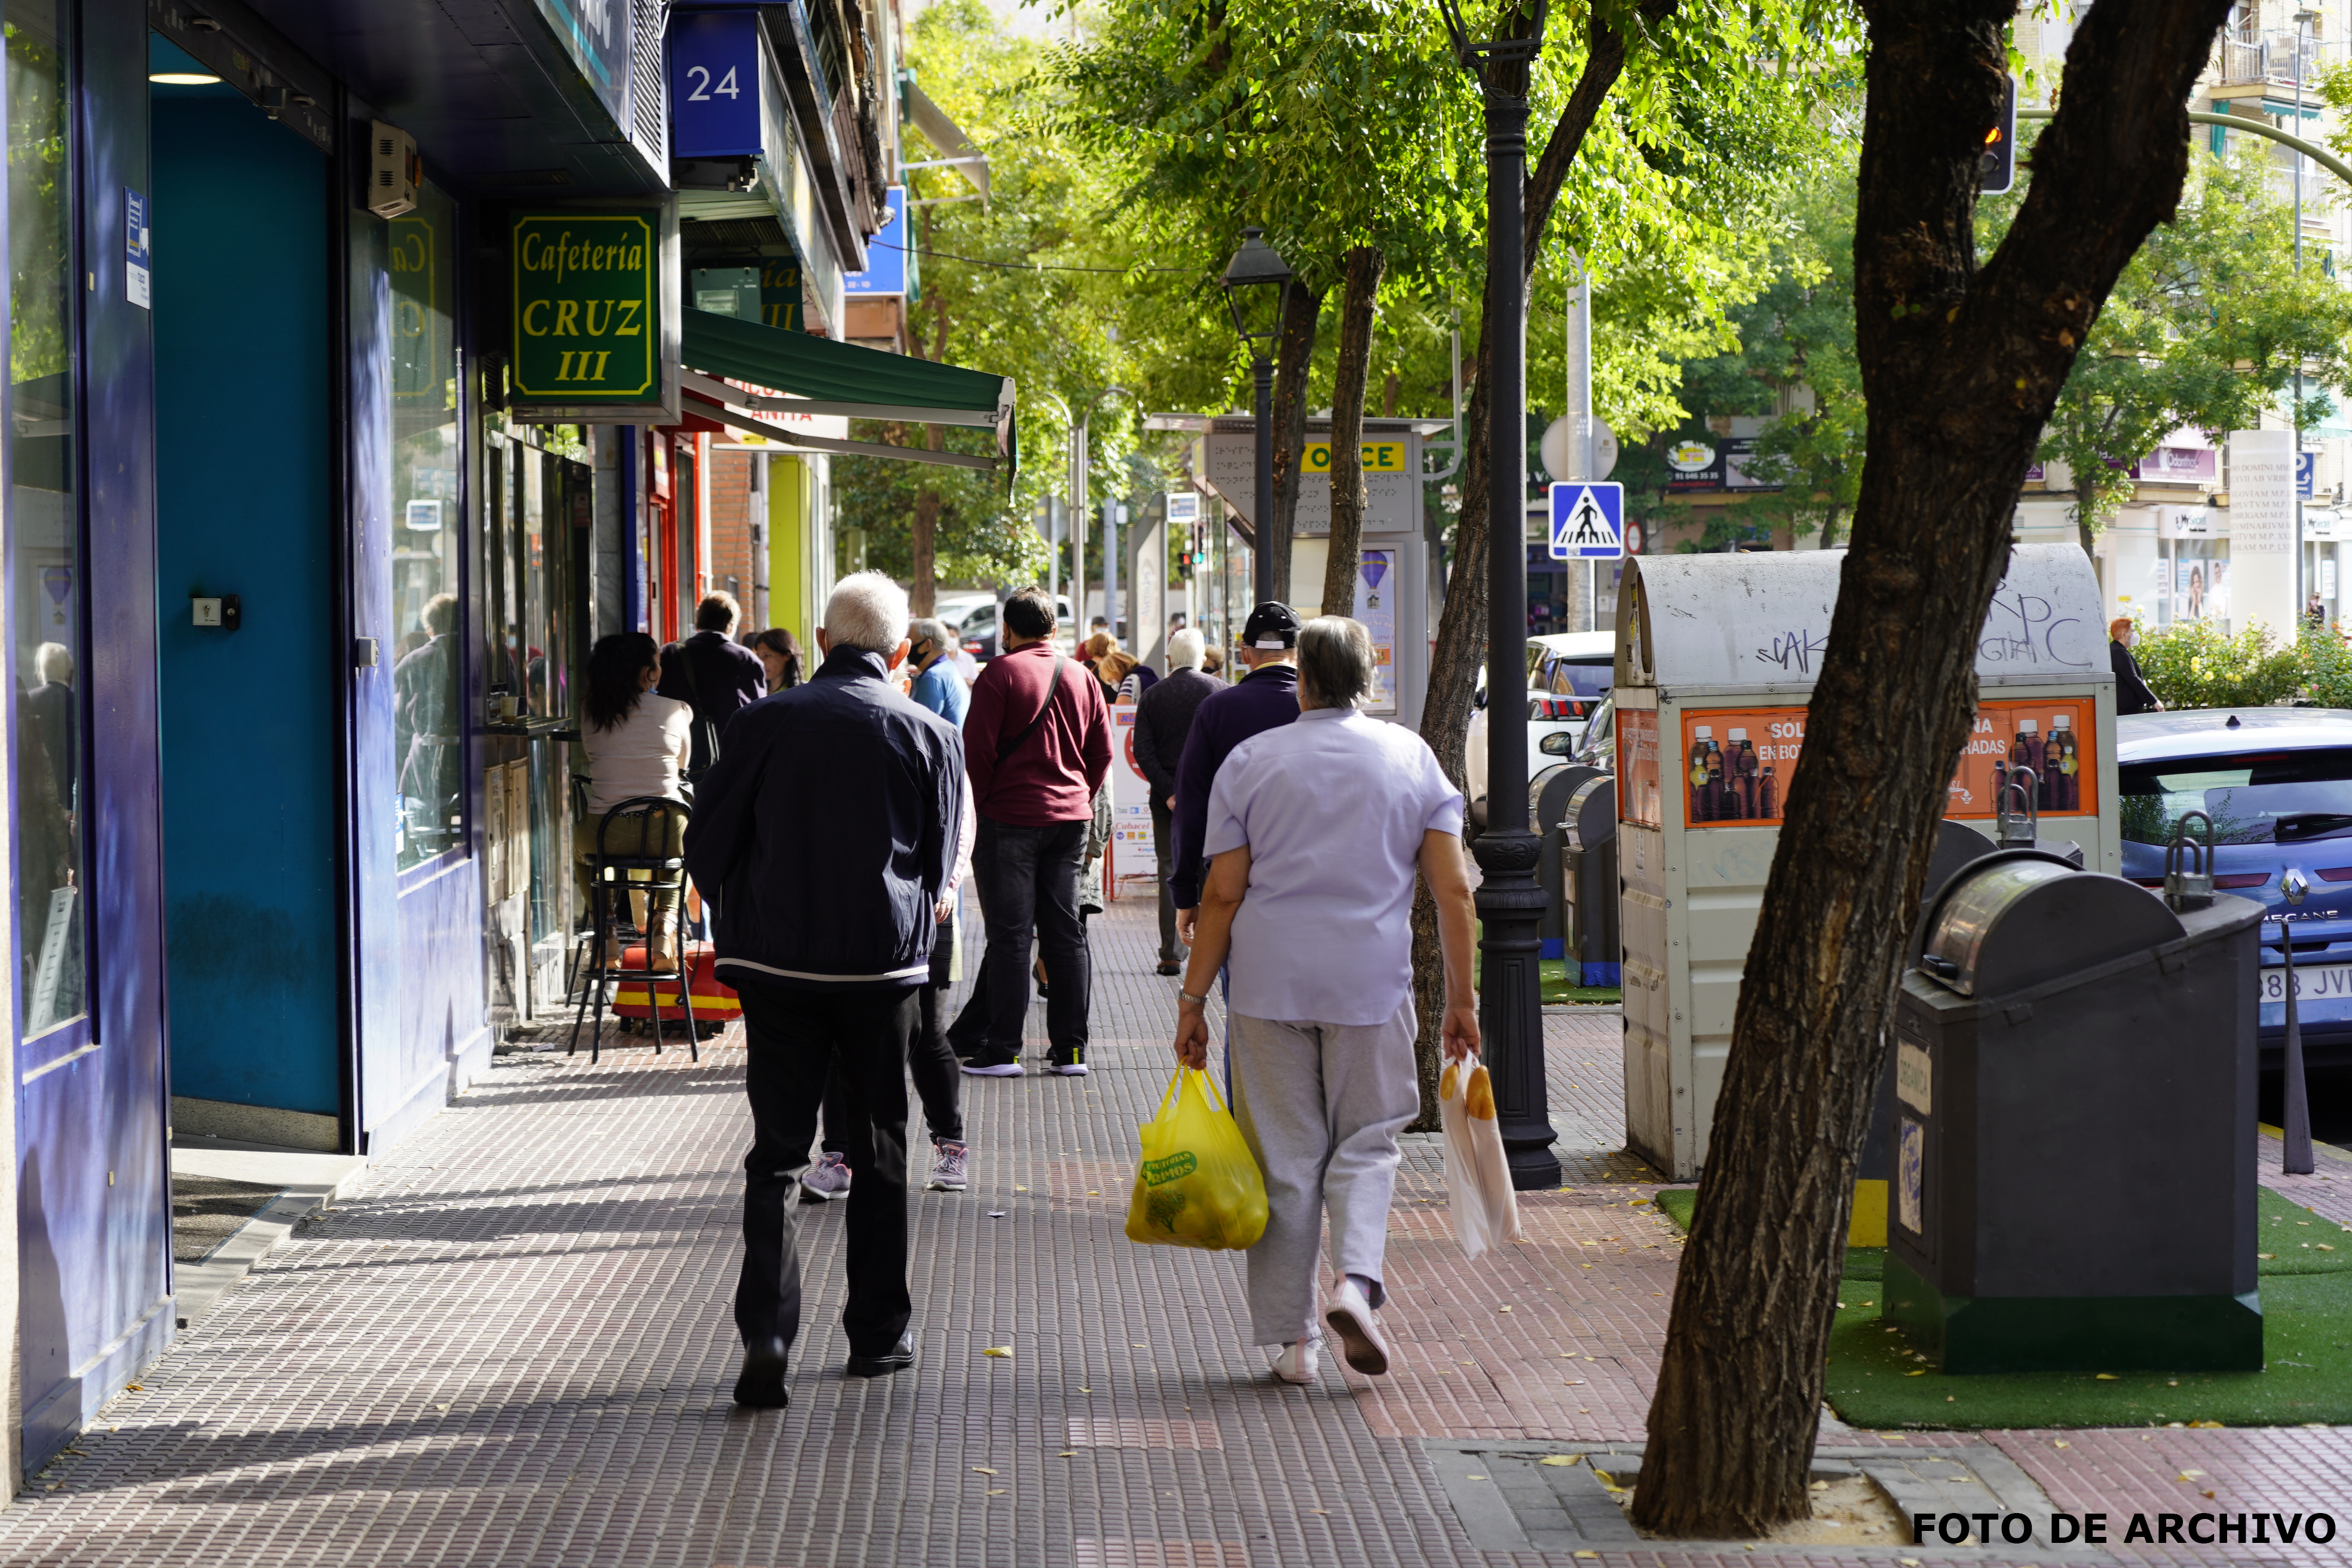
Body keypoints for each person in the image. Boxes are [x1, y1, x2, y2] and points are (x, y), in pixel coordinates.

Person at [1171, 616, 1480, 1386]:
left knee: (1284, 1158)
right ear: (1367, 677)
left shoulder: (1250, 761)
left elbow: (1222, 893)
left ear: (1301, 679)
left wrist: (1193, 998)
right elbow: (1452, 890)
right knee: (1368, 1141)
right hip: (1370, 983)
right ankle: (1356, 1283)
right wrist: (1462, 1000)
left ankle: (1293, 1344)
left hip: (1268, 983)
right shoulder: (1410, 757)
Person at [685, 572, 964, 1406]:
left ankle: (767, 1335)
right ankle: (876, 1335)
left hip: (776, 968)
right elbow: (941, 859)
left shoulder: (763, 720)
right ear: (901, 651)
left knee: (776, 1152)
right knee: (880, 1145)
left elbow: (710, 841)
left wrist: (744, 911)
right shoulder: (928, 733)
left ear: (822, 640)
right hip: (882, 971)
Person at [947, 585, 1110, 1076]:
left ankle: (1004, 1051)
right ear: (1054, 629)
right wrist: (1076, 795)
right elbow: (1102, 753)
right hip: (1070, 822)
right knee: (1065, 935)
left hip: (1009, 821)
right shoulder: (1082, 676)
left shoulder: (999, 674)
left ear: (1007, 629)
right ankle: (1071, 1052)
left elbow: (976, 752)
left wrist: (982, 806)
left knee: (1011, 937)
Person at [807, 765, 979, 1202]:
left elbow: (962, 818)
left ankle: (951, 1146)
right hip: (854, 908)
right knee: (839, 1036)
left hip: (927, 907)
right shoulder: (840, 744)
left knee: (927, 1033)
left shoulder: (933, 740)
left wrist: (948, 884)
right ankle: (839, 1156)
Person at [1168, 603, 1303, 946]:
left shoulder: (1217, 709)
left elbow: (1191, 805)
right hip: (1310, 879)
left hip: (1233, 880)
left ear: (1245, 653)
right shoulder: (1319, 708)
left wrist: (1185, 894)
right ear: (1299, 651)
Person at [578, 633, 694, 966]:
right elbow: (683, 765)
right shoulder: (676, 710)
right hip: (664, 829)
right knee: (684, 852)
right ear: (648, 672)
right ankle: (664, 926)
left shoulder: (591, 713)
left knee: (583, 854)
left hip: (605, 832)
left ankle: (606, 930)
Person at [1133, 628, 1218, 975]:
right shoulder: (1220, 692)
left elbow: (1143, 750)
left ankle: (1171, 952)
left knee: (1170, 867)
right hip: (1212, 800)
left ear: (1169, 660)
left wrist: (1169, 791)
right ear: (1203, 659)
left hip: (1166, 801)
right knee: (1210, 868)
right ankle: (1209, 949)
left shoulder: (1153, 696)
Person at [659, 590, 767, 777]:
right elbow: (760, 715)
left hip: (676, 759)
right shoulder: (746, 659)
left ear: (698, 621)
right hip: (731, 763)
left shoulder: (670, 654)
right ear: (731, 626)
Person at [391, 598, 460, 855]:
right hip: (477, 765)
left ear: (429, 627)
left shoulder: (416, 659)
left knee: (409, 800)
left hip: (428, 771)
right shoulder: (489, 654)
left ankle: (415, 852)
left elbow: (398, 718)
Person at [23, 642, 75, 813]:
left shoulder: (27, 702)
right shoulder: (79, 704)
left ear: (40, 672)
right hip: (71, 803)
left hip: (36, 802)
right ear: (70, 672)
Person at [906, 617, 969, 727]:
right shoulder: (948, 668)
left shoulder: (933, 677)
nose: (908, 648)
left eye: (912, 642)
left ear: (928, 645)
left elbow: (920, 727)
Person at [2109, 617, 2161, 716]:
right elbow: (2133, 679)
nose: (2134, 634)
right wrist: (2155, 701)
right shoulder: (2119, 652)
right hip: (2126, 711)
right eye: (2132, 631)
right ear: (2124, 634)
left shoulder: (2115, 650)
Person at [746, 627, 804, 694]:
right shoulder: (755, 691)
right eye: (758, 656)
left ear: (787, 656)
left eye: (767, 656)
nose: (761, 662)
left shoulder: (801, 692)